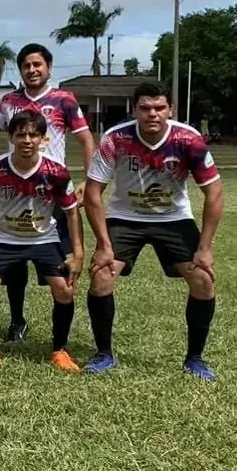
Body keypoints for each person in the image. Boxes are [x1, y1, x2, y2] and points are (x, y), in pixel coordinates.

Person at [83, 81, 222, 380]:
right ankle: (104, 353)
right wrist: (103, 244)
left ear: (170, 109)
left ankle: (195, 358)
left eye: (159, 108)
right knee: (101, 276)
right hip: (125, 217)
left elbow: (214, 193)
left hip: (173, 218)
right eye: (145, 108)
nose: (152, 114)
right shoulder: (115, 138)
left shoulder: (189, 139)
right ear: (135, 110)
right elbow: (93, 192)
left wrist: (205, 248)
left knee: (202, 280)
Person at [0, 44, 94, 342]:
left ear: (48, 67)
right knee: (14, 259)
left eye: (38, 64)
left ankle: (60, 334)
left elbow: (86, 140)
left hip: (53, 192)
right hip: (15, 191)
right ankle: (17, 321)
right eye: (26, 65)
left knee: (59, 261)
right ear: (20, 70)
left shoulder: (64, 99)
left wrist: (89, 180)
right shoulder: (8, 102)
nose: (32, 70)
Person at [0, 110, 84, 370]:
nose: (27, 140)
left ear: (43, 139)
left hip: (43, 238)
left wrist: (77, 253)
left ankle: (59, 350)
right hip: (2, 238)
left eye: (33, 135)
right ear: (11, 138)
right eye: (21, 134)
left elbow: (71, 211)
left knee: (65, 290)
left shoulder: (56, 171)